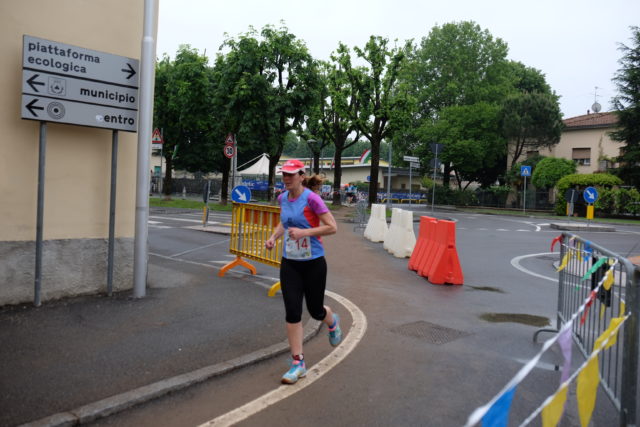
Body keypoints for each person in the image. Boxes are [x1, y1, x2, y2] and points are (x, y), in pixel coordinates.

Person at [265, 159, 342, 385]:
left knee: (315, 310)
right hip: (290, 263)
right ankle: (298, 363)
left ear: (301, 176)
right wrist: (273, 237)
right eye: (284, 175)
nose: (286, 178)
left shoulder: (312, 199)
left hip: (313, 263)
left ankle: (331, 319)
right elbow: (285, 222)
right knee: (292, 312)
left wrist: (305, 233)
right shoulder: (282, 198)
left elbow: (332, 227)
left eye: (291, 175)